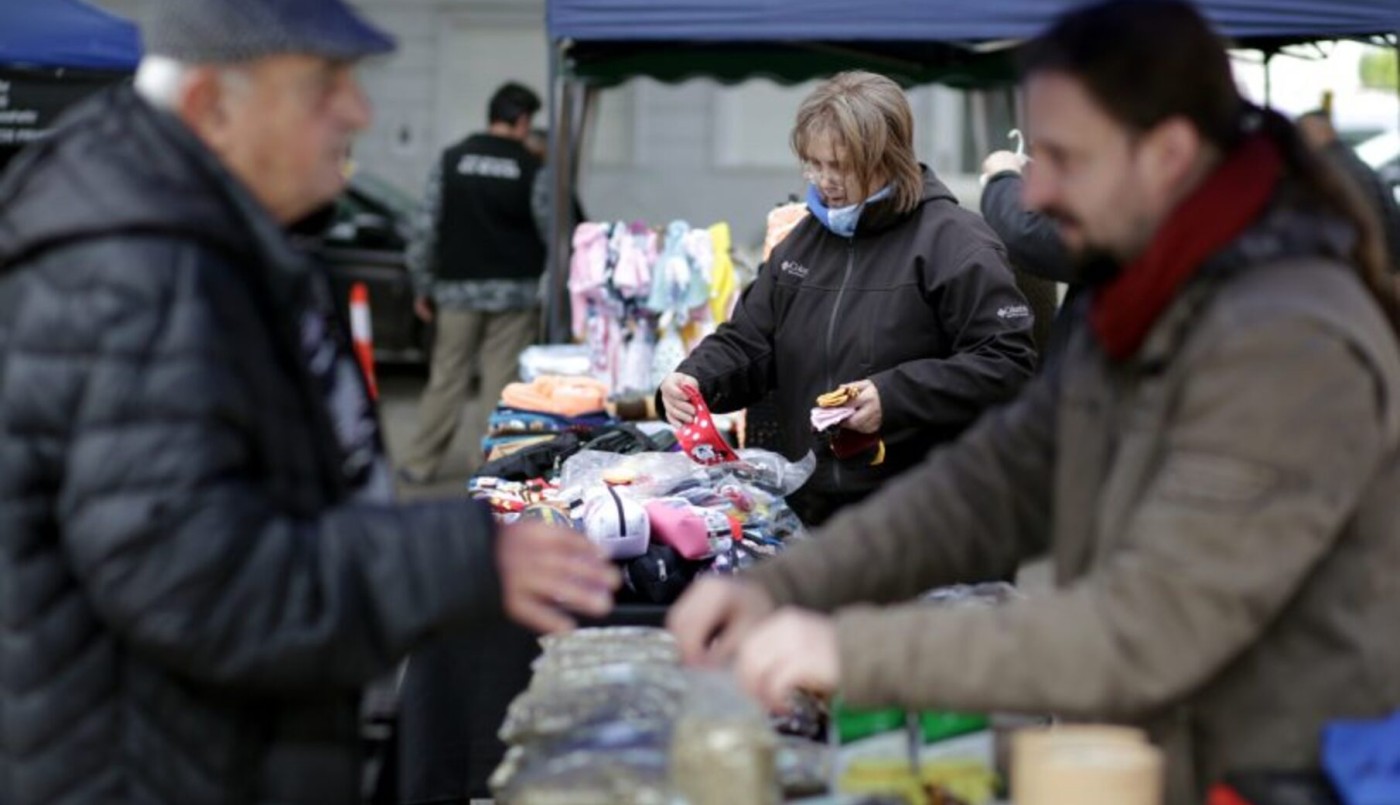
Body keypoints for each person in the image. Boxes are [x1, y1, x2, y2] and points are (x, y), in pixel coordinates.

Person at [667, 2, 1400, 802]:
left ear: (1168, 154)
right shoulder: (1144, 295)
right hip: (1165, 753)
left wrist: (852, 648)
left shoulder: (1287, 337)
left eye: (1061, 157)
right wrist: (781, 584)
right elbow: (998, 479)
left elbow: (1144, 626)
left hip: (1294, 772)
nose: (1034, 190)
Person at [0, 2, 618, 802]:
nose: (358, 112)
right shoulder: (139, 267)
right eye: (326, 85)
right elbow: (195, 580)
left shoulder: (194, 232)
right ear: (210, 106)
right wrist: (456, 557)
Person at [659, 70, 1038, 527]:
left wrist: (893, 396)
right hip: (810, 510)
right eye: (813, 164)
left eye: (839, 166)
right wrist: (695, 379)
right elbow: (750, 341)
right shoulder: (801, 243)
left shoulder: (955, 242)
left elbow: (1008, 363)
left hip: (928, 518)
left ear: (888, 158)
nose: (822, 181)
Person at [399, 82, 546, 484]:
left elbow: (425, 227)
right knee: (500, 383)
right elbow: (551, 228)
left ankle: (419, 462)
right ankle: (489, 465)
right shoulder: (530, 166)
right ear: (521, 121)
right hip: (513, 292)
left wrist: (422, 284)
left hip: (456, 289)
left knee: (447, 375)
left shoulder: (452, 159)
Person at [1298, 108, 1400, 269]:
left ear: (1325, 132)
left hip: (1370, 267)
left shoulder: (1334, 170)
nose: (1301, 140)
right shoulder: (1351, 164)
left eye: (1304, 133)